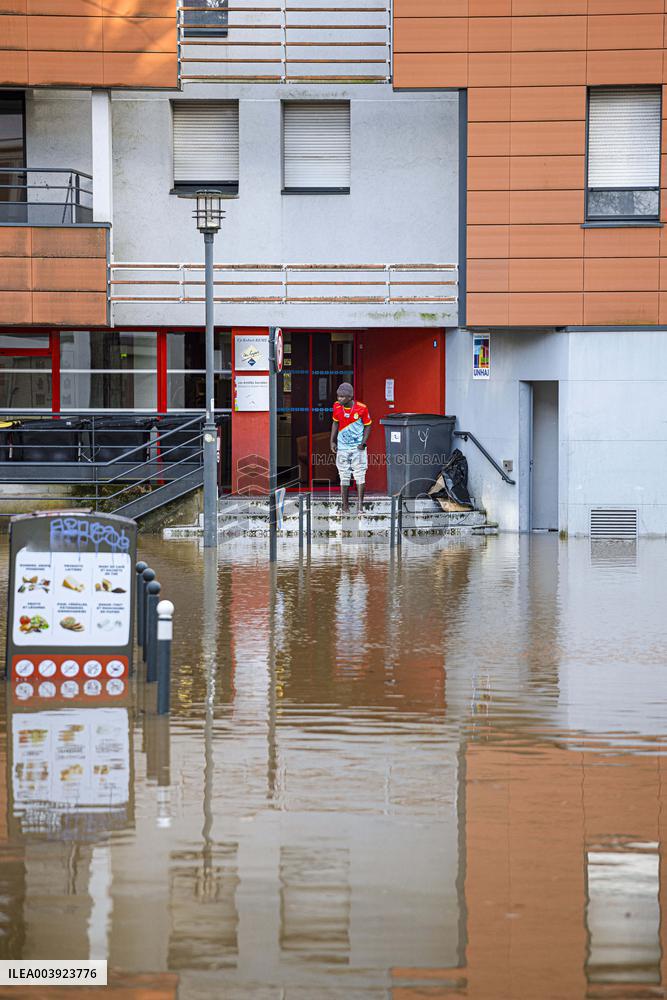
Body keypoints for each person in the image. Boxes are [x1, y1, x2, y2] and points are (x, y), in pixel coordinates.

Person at [330, 382, 372, 515]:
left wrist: (363, 442)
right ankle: (345, 508)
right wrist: (332, 441)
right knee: (344, 475)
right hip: (342, 447)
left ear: (350, 397)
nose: (339, 399)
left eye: (342, 397)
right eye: (338, 396)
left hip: (357, 448)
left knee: (360, 475)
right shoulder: (336, 407)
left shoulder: (362, 408)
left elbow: (368, 426)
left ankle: (360, 508)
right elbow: (335, 423)